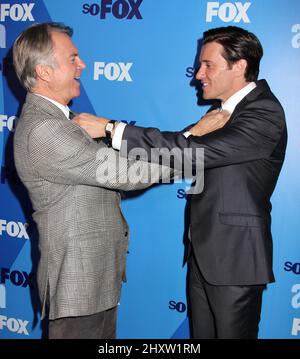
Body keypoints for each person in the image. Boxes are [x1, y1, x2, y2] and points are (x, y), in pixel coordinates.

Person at [74, 26, 287, 339]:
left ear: (239, 66)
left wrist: (111, 128)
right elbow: (175, 150)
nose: (198, 74)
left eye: (208, 65)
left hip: (235, 261)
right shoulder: (221, 114)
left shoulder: (263, 111)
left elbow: (192, 151)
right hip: (203, 255)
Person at [12, 22, 194, 339]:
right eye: (73, 58)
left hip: (93, 283)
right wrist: (194, 143)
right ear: (44, 72)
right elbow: (126, 173)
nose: (82, 64)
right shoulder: (45, 129)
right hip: (77, 287)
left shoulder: (62, 121)